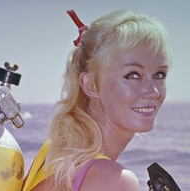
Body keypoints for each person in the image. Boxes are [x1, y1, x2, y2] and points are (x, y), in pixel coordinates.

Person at [22, 8, 172, 191]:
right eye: (133, 75)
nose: (153, 91)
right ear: (91, 84)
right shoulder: (114, 181)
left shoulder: (55, 153)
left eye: (159, 74)